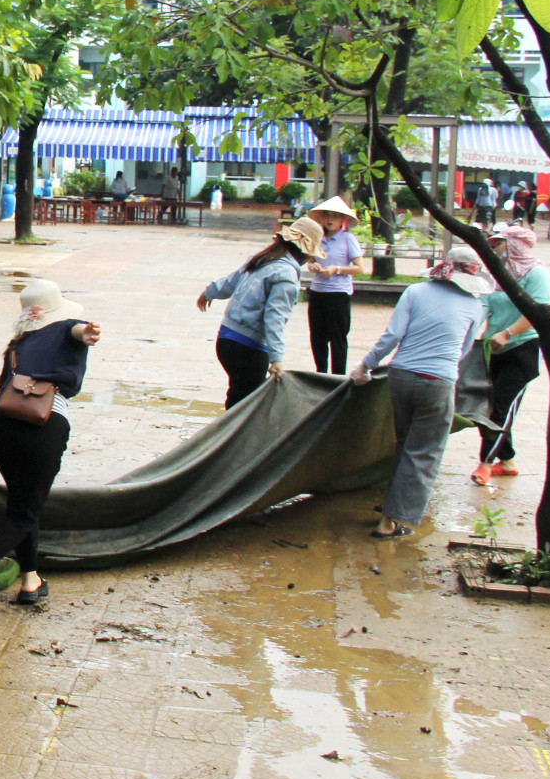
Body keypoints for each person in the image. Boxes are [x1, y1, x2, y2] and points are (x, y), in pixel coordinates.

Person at [0, 280, 100, 614]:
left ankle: (30, 581)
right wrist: (87, 332)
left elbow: (3, 398)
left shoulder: (16, 345)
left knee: (23, 504)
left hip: (1, 428)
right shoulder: (64, 328)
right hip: (42, 427)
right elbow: (77, 330)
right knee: (24, 512)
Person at [350, 247, 492, 538]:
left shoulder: (415, 291)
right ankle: (392, 520)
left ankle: (392, 503)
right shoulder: (474, 306)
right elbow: (464, 350)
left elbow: (393, 336)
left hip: (401, 377)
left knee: (405, 442)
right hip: (438, 382)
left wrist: (366, 365)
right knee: (424, 452)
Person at [197, 216, 324, 408]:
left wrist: (209, 292)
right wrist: (277, 358)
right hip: (249, 347)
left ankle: (229, 435)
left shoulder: (262, 258)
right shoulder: (286, 275)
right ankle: (232, 437)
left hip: (226, 340)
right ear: (305, 252)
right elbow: (274, 318)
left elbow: (230, 282)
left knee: (238, 396)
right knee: (246, 405)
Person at [472, 223, 550, 486]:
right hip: (492, 348)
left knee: (502, 408)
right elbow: (485, 302)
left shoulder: (536, 274)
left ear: (514, 244)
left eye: (499, 242)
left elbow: (536, 312)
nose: (494, 247)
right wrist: (472, 330)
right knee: (491, 406)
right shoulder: (499, 272)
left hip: (521, 349)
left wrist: (507, 334)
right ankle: (507, 462)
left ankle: (485, 462)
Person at [304, 197, 363, 374]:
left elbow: (359, 268)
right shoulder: (317, 238)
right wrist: (313, 266)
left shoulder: (348, 239)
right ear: (321, 218)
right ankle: (320, 373)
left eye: (335, 216)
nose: (330, 220)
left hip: (338, 294)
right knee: (317, 337)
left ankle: (338, 377)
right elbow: (310, 260)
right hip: (317, 292)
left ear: (343, 220)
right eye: (327, 216)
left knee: (337, 338)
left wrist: (337, 269)